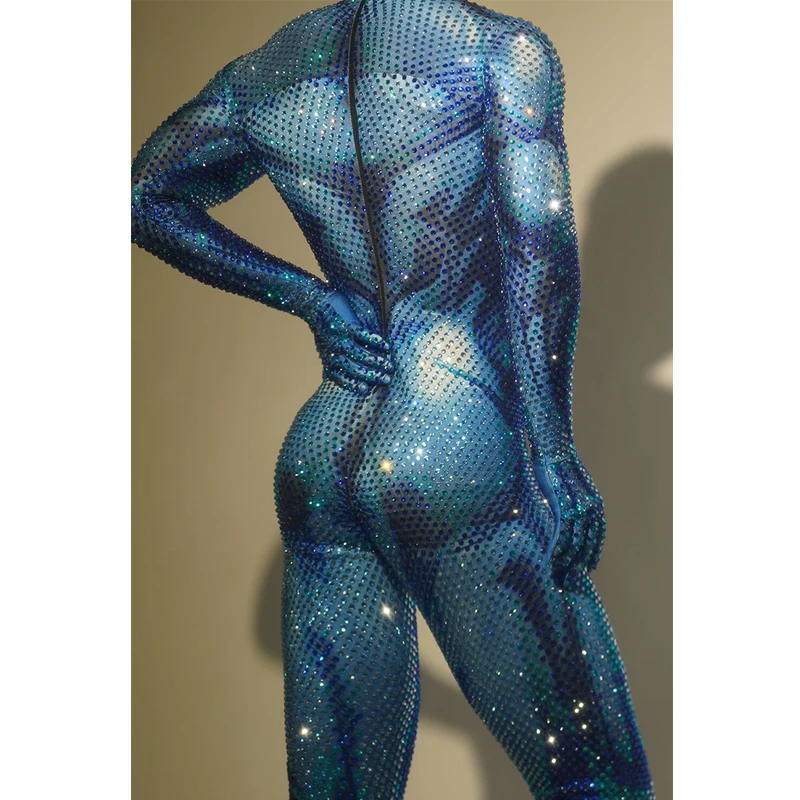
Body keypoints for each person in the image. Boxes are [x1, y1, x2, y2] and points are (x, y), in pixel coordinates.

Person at [131, 0, 655, 797]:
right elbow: (537, 247)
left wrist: (311, 299)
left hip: (325, 450)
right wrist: (553, 453)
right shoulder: (501, 51)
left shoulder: (266, 71)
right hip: (454, 429)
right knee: (598, 783)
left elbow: (145, 196)